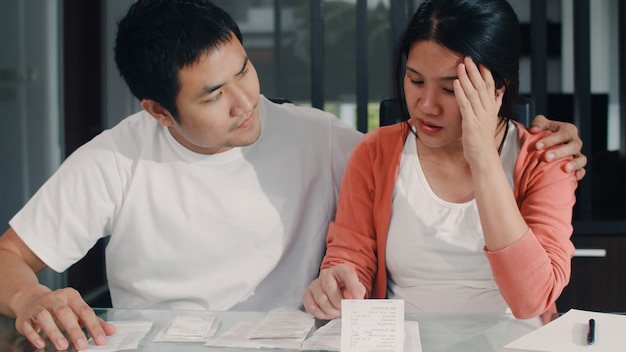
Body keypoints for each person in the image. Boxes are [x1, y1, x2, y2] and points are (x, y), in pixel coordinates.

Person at [0, 0, 585, 350]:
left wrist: (508, 146)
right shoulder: (115, 158)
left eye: (245, 71)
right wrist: (28, 295)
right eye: (212, 95)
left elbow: (419, 192)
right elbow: (10, 257)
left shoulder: (321, 136)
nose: (245, 101)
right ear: (157, 109)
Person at [303, 0, 578, 322]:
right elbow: (351, 257)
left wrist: (484, 159)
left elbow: (532, 299)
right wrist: (337, 282)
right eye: (416, 81)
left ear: (498, 89)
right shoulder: (376, 152)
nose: (426, 106)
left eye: (450, 89)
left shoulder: (546, 158)